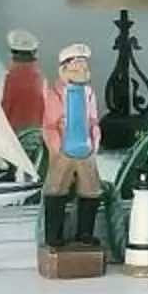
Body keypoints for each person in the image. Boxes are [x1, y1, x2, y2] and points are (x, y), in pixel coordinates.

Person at [41, 42, 105, 251]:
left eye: (84, 66)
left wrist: (95, 138)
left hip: (85, 150)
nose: (82, 70)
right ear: (65, 69)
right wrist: (56, 147)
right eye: (77, 66)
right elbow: (49, 124)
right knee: (57, 189)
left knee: (91, 190)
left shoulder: (89, 93)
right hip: (64, 150)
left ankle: (85, 233)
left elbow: (93, 119)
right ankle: (54, 235)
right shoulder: (56, 93)